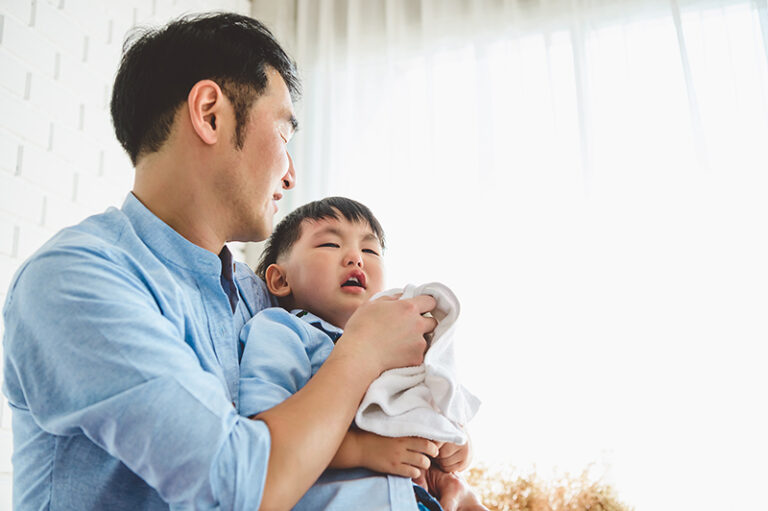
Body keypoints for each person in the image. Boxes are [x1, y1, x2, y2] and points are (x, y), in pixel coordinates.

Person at [1, 12, 484, 511]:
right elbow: (233, 487)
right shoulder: (75, 281)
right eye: (284, 135)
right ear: (210, 114)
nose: (292, 175)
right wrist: (362, 351)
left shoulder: (261, 299)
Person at [238, 196, 484, 510]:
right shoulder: (282, 330)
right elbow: (261, 429)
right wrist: (362, 449)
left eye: (369, 250)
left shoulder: (401, 343)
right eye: (329, 244)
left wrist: (456, 446)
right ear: (280, 279)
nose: (356, 258)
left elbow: (439, 408)